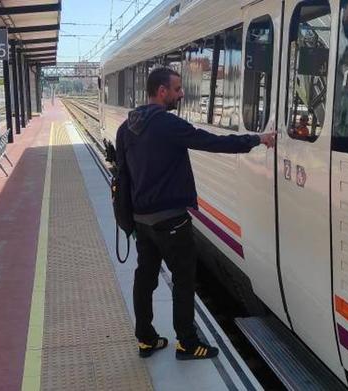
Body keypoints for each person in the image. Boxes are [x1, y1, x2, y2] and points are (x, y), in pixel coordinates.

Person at [116, 67, 275, 361]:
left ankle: (146, 339)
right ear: (162, 91)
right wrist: (257, 139)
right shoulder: (167, 124)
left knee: (145, 278)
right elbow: (212, 142)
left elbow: (123, 173)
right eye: (177, 89)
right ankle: (187, 343)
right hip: (171, 220)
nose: (181, 94)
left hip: (142, 219)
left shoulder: (127, 127)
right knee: (184, 279)